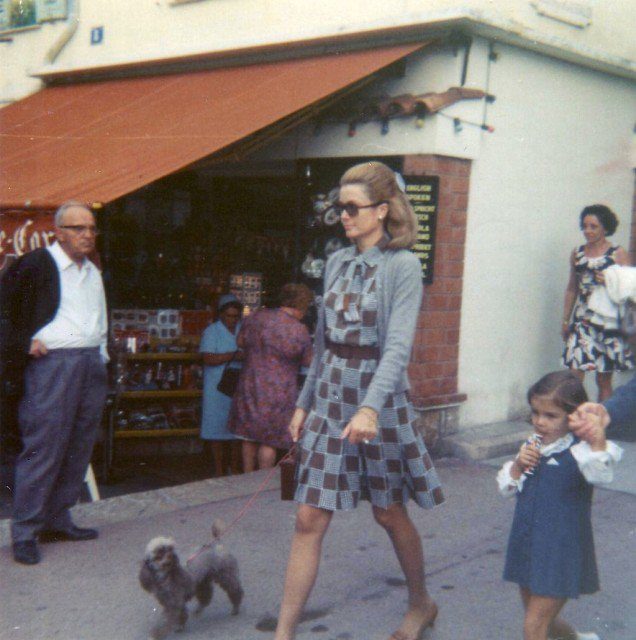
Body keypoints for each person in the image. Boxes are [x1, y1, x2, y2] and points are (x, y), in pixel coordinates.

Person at [275, 162, 443, 640]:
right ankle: (282, 634)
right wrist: (304, 401)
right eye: (339, 208)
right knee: (308, 515)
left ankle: (420, 603)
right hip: (330, 395)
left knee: (388, 510)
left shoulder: (402, 265)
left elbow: (397, 346)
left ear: (383, 210)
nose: (343, 217)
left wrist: (369, 407)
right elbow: (323, 339)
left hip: (380, 399)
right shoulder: (336, 262)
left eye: (352, 208)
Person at [0, 202, 108, 565]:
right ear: (59, 231)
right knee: (43, 446)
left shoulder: (92, 271)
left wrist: (102, 353)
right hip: (53, 365)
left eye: (91, 229)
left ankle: (58, 519)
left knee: (79, 445)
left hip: (89, 362)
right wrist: (21, 342)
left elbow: (98, 315)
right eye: (78, 228)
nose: (87, 235)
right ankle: (26, 531)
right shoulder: (36, 265)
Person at [497, 370, 622, 640]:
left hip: (560, 550)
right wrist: (518, 465)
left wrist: (597, 438)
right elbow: (506, 489)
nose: (539, 422)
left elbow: (601, 474)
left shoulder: (582, 450)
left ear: (574, 416)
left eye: (550, 415)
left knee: (534, 626)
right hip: (528, 544)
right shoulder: (532, 445)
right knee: (543, 620)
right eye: (535, 413)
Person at [229, 283, 313, 472]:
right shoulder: (298, 329)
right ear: (301, 305)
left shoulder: (255, 317)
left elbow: (240, 342)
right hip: (279, 389)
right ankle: (261, 481)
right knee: (269, 440)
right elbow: (309, 361)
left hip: (251, 383)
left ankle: (246, 478)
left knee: (248, 436)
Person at [562, 204, 632, 401]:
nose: (588, 231)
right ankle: (575, 421)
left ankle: (601, 424)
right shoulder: (578, 253)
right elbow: (572, 287)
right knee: (574, 375)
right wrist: (565, 320)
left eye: (593, 226)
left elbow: (630, 289)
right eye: (585, 226)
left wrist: (611, 281)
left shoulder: (617, 253)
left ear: (605, 228)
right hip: (582, 319)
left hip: (607, 321)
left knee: (603, 379)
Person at [199, 294, 244, 477]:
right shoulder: (211, 331)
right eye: (228, 316)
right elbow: (207, 358)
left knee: (236, 429)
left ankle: (233, 467)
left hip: (238, 384)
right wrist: (232, 355)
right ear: (221, 315)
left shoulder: (243, 330)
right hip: (216, 386)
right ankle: (218, 469)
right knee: (216, 427)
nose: (232, 320)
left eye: (235, 316)